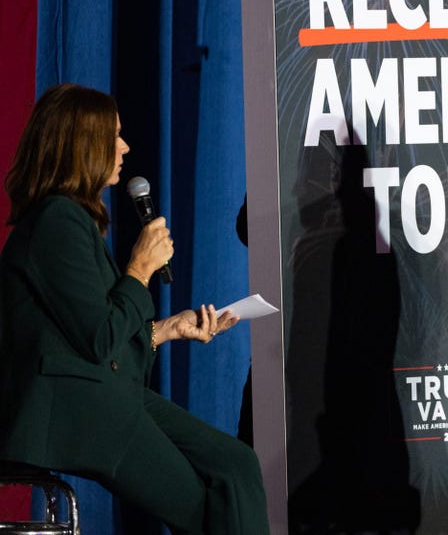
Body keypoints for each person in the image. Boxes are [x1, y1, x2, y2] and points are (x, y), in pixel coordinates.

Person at [0, 84, 270, 535]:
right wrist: (140, 269)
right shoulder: (55, 221)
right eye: (114, 137)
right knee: (208, 512)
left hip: (107, 391)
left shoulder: (74, 219)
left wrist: (167, 329)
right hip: (79, 407)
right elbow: (99, 339)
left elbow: (100, 333)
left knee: (236, 463)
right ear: (82, 146)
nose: (125, 147)